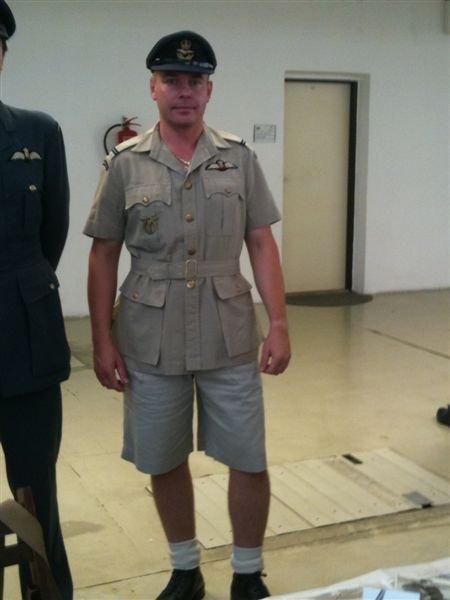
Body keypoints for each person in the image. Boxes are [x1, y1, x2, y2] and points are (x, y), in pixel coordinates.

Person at [84, 30, 290, 600]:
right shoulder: (125, 164)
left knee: (248, 455)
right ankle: (184, 570)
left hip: (228, 331)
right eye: (171, 80)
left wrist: (279, 322)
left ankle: (247, 573)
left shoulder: (238, 158)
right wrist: (101, 341)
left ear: (209, 91)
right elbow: (103, 254)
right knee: (164, 455)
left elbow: (261, 242)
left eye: (194, 81)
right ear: (153, 88)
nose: (183, 91)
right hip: (149, 335)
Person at [0, 1, 73, 598]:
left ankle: (45, 594)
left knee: (35, 495)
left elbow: (53, 233)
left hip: (25, 339)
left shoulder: (37, 132)